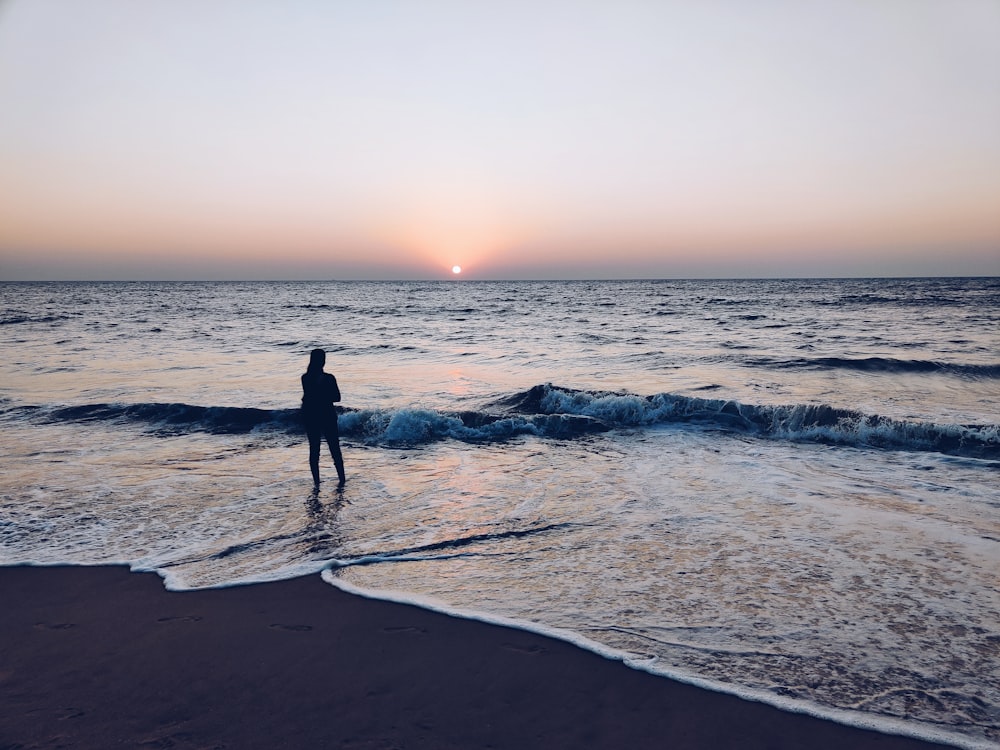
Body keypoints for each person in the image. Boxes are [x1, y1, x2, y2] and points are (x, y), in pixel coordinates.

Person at [301, 348, 345, 486]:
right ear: (323, 361)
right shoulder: (329, 378)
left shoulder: (305, 378)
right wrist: (325, 395)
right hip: (327, 416)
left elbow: (308, 397)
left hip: (311, 416)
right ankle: (342, 480)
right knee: (335, 450)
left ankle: (317, 482)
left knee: (314, 451)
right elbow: (337, 397)